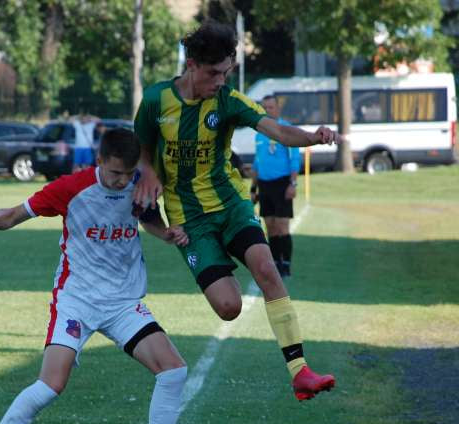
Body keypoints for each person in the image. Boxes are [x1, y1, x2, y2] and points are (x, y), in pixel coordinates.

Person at [0, 128, 190, 424]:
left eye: (128, 174)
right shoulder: (70, 188)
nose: (121, 181)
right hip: (77, 300)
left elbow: (148, 218)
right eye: (114, 173)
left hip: (123, 302)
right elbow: (15, 215)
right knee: (51, 385)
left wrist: (166, 234)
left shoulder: (139, 184)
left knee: (173, 371)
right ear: (98, 161)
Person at [133, 21, 341, 402]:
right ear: (191, 65)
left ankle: (300, 371)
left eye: (226, 72)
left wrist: (311, 137)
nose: (220, 81)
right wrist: (148, 173)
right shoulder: (155, 101)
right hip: (189, 218)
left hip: (230, 204)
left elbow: (275, 130)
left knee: (266, 267)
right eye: (214, 73)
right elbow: (143, 149)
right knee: (228, 307)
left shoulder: (228, 100)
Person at [251, 95, 301, 279]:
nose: (267, 111)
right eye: (264, 108)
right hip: (265, 185)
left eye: (270, 107)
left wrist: (292, 184)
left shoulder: (285, 129)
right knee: (270, 226)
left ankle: (286, 264)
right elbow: (257, 162)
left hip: (282, 184)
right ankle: (276, 264)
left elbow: (295, 159)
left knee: (282, 226)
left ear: (278, 109)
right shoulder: (259, 133)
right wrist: (253, 188)